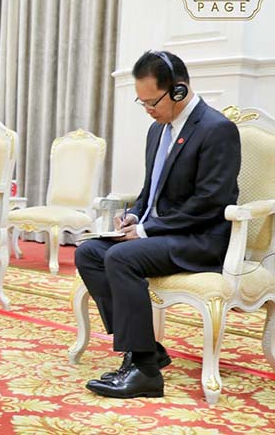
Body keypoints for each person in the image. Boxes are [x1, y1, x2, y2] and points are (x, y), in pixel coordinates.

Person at [75, 51, 240, 398]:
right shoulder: (157, 130)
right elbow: (150, 191)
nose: (148, 110)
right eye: (143, 102)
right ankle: (146, 348)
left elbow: (210, 202)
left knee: (121, 257)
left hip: (200, 239)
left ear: (179, 91)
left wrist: (147, 230)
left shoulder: (217, 130)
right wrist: (134, 215)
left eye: (153, 102)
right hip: (164, 235)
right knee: (89, 253)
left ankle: (145, 371)